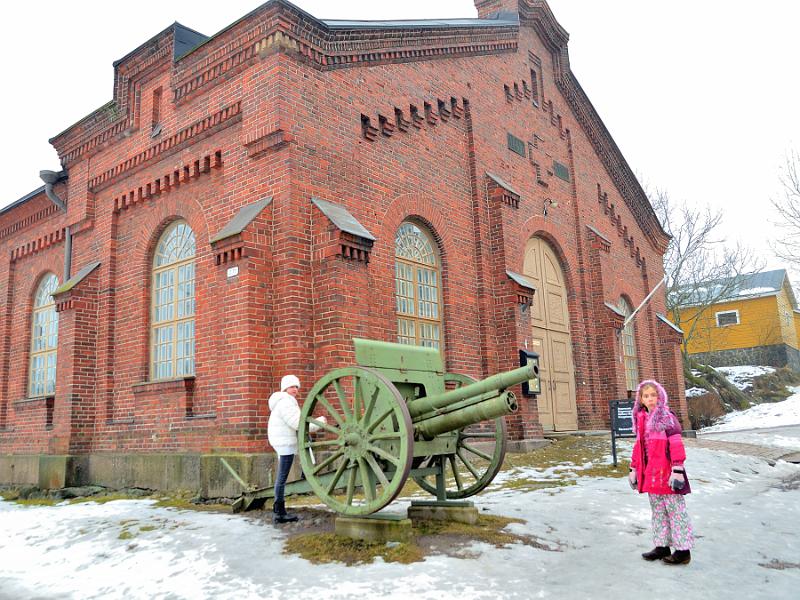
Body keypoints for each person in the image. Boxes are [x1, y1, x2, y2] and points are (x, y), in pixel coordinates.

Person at [629, 379, 695, 565]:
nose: (650, 399)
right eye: (646, 396)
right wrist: (634, 468)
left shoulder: (667, 417)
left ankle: (683, 551)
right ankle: (662, 545)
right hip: (651, 474)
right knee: (657, 511)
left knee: (676, 511)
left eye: (653, 395)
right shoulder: (641, 419)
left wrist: (677, 470)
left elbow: (676, 444)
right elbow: (639, 447)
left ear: (660, 397)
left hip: (667, 473)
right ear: (640, 399)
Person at [267, 374, 325, 524]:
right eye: (292, 387)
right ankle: (279, 512)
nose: (295, 390)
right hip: (285, 443)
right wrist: (320, 423)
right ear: (285, 388)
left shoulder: (286, 401)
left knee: (282, 477)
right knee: (281, 478)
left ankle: (306, 472)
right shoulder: (286, 403)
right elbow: (298, 424)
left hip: (285, 441)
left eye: (296, 387)